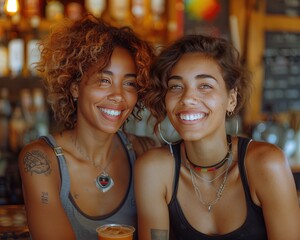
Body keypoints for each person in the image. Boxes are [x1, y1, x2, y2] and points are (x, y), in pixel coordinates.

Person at [134, 34, 300, 240]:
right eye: (176, 86)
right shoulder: (154, 170)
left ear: (231, 99)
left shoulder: (266, 165)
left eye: (205, 86)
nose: (187, 98)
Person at [18, 14, 159, 240]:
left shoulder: (145, 152)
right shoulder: (41, 160)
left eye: (129, 83)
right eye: (104, 80)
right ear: (75, 87)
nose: (118, 96)